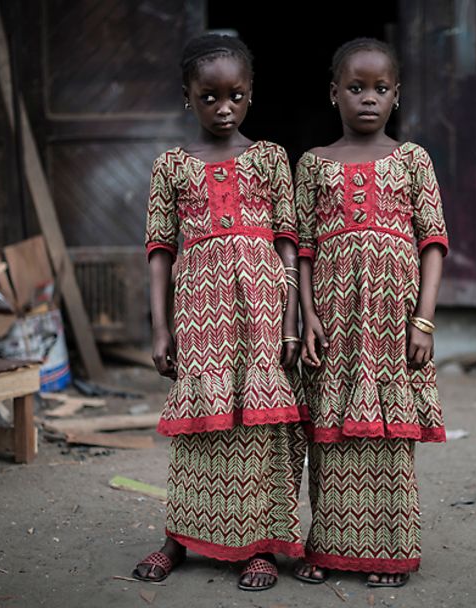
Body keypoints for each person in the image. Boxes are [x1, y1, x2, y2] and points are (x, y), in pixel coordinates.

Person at [134, 33, 307, 592]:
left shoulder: (272, 158)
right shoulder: (171, 166)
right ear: (188, 97)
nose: (223, 107)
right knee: (200, 427)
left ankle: (258, 544)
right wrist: (160, 327)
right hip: (199, 309)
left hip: (260, 308)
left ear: (251, 94)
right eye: (209, 97)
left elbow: (287, 242)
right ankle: (179, 537)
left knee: (259, 426)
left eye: (235, 95)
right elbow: (160, 250)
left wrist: (288, 322)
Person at [292, 37, 448, 588]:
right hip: (334, 321)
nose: (368, 99)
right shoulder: (313, 164)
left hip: (391, 324)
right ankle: (328, 546)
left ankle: (392, 551)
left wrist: (423, 320)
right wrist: (305, 315)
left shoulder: (413, 160)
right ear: (334, 93)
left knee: (387, 433)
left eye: (380, 89)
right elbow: (303, 248)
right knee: (329, 433)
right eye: (355, 88)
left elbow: (432, 242)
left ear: (397, 96)